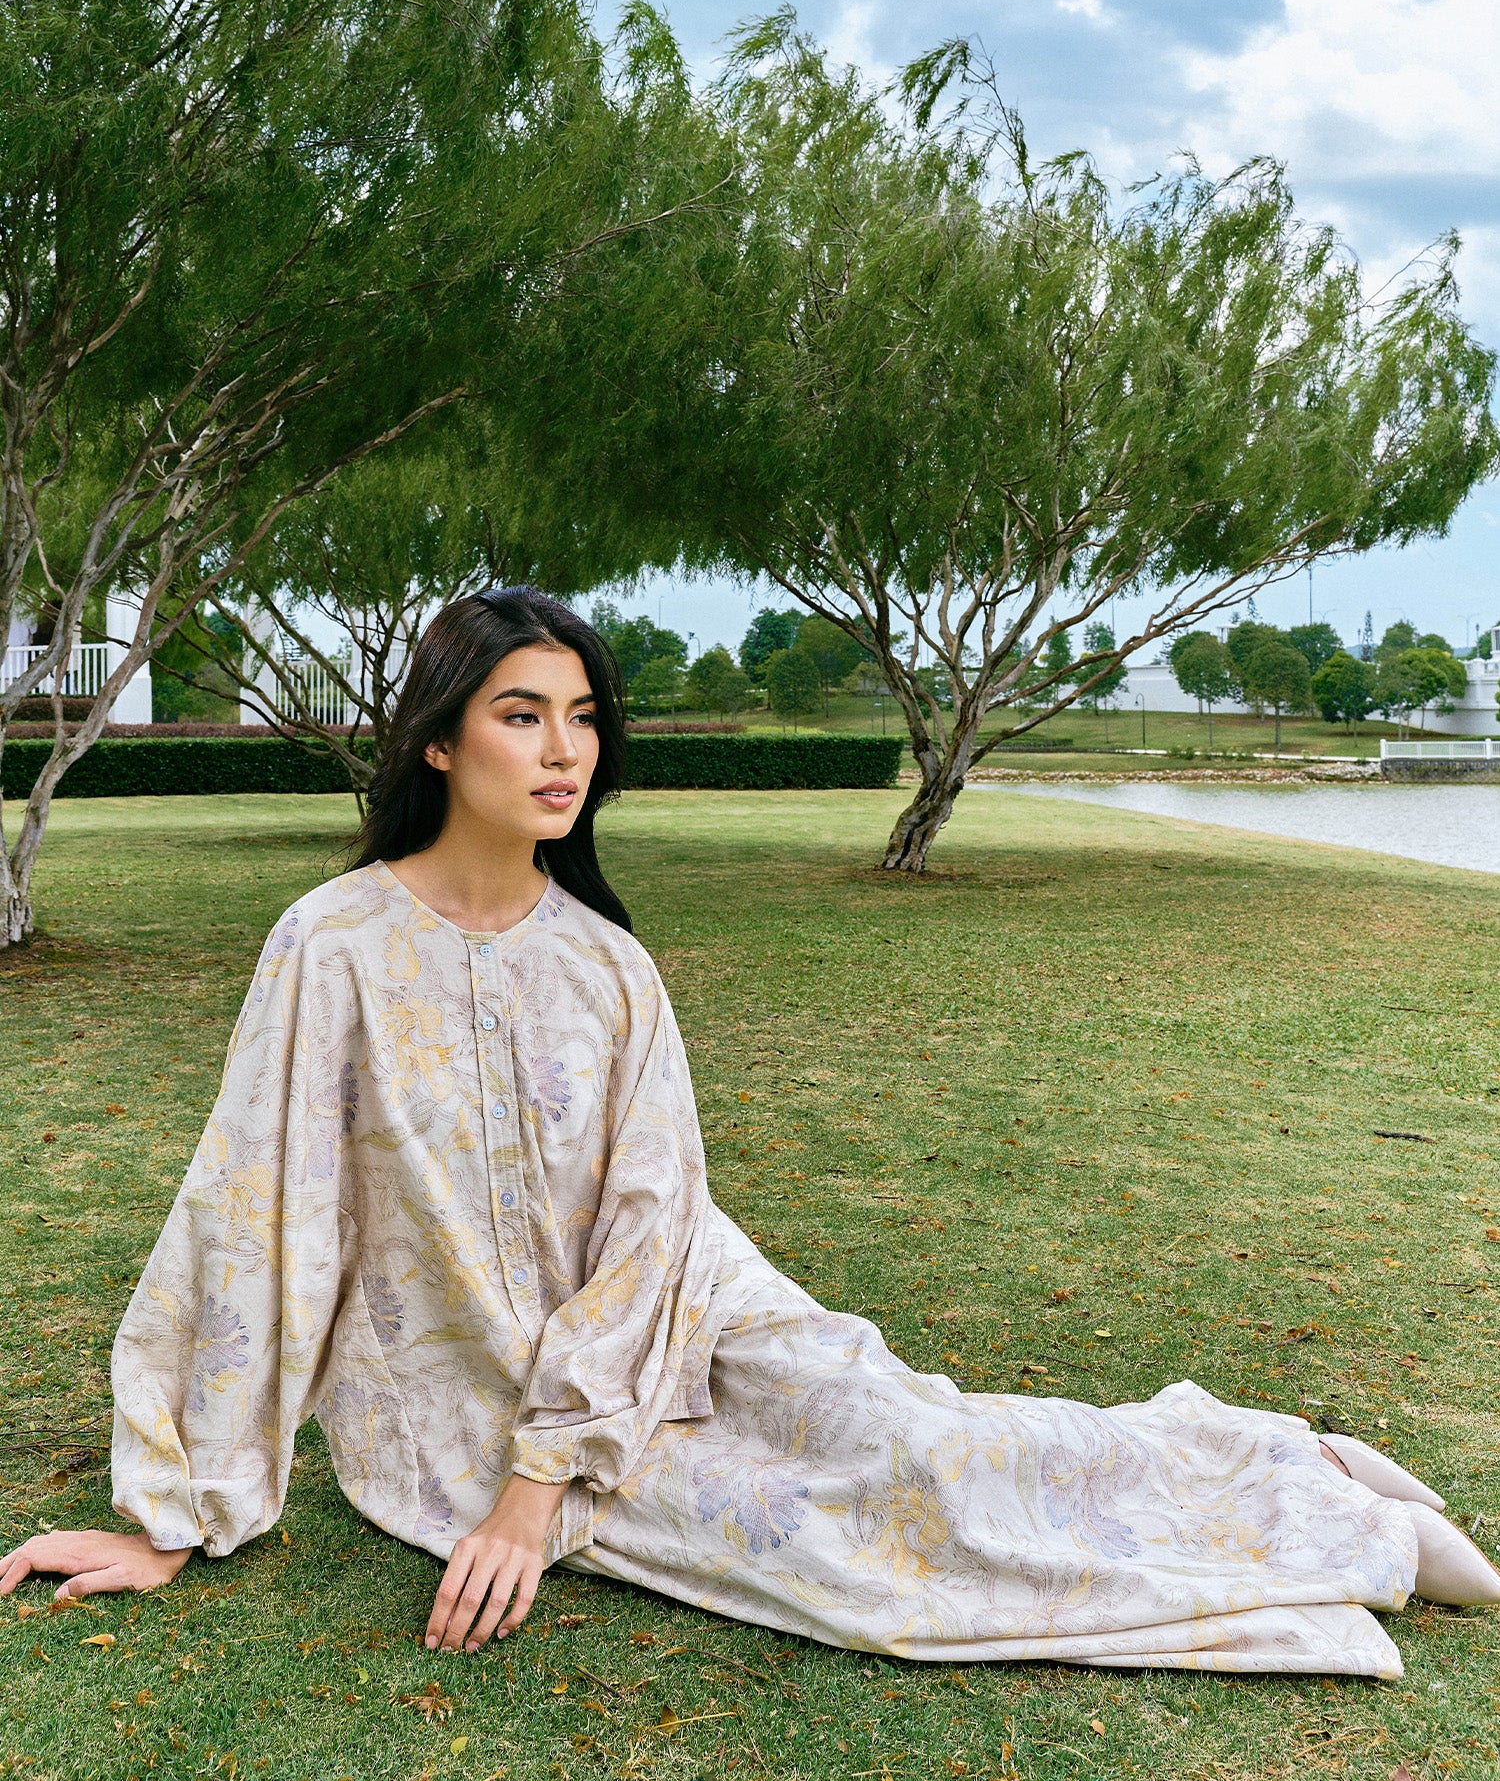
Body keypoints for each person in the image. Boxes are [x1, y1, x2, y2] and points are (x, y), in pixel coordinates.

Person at [4, 589, 1496, 1674]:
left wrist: (543, 1482)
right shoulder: (328, 949)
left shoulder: (610, 968)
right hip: (466, 1405)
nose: (563, 749)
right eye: (521, 714)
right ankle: (1314, 1509)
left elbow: (654, 1222)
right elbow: (254, 1216)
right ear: (441, 742)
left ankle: (1293, 1481)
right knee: (846, 1563)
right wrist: (175, 1513)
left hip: (689, 1311)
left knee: (914, 1440)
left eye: (583, 718)